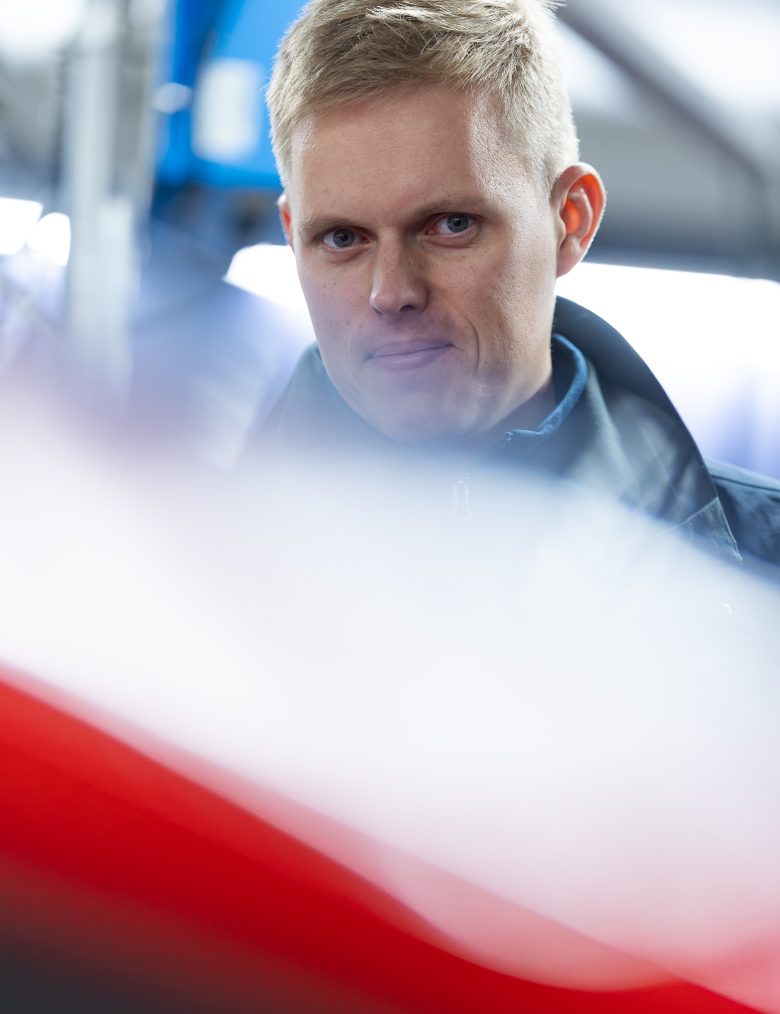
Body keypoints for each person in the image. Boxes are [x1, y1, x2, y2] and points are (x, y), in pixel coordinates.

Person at [257, 0, 779, 569]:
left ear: (570, 220)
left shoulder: (763, 567)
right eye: (341, 238)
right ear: (293, 237)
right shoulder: (195, 572)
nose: (391, 292)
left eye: (452, 225)